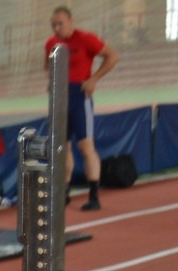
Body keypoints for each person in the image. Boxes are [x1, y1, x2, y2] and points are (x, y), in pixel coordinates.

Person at [45, 5, 118, 212]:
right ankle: (64, 192)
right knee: (62, 147)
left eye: (60, 23)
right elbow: (48, 66)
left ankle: (94, 194)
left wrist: (94, 79)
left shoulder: (86, 39)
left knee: (86, 147)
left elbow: (112, 56)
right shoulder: (51, 43)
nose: (57, 28)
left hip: (80, 96)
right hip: (59, 97)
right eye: (54, 25)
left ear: (71, 21)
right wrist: (52, 83)